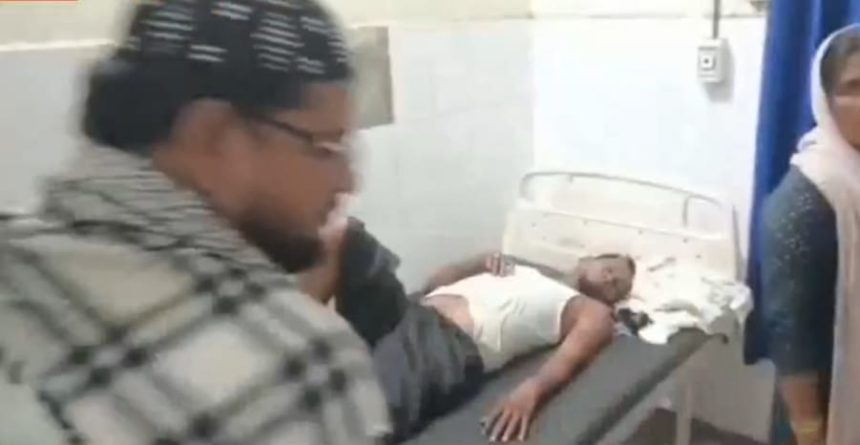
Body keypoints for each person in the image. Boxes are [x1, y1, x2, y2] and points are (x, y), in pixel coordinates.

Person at [0, 1, 392, 445]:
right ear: (213, 136)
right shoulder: (304, 366)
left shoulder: (18, 266)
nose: (347, 180)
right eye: (326, 147)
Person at [300, 220, 635, 443]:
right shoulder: (516, 267)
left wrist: (531, 390)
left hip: (442, 347)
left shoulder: (589, 309)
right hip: (405, 311)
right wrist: (476, 263)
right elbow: (433, 283)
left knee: (352, 420)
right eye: (609, 269)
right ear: (586, 260)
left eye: (617, 285)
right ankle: (290, 329)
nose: (609, 279)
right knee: (346, 234)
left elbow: (576, 350)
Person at [761, 25, 860, 445]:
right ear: (825, 99)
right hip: (825, 406)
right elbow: (790, 334)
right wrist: (809, 431)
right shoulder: (804, 200)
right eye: (854, 87)